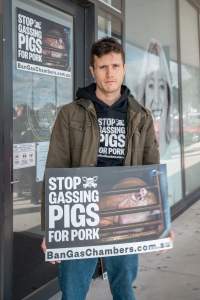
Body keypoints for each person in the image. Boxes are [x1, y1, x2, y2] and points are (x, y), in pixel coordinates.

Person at [41, 37, 160, 300]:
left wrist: (160, 220)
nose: (110, 73)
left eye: (115, 66)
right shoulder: (70, 114)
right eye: (103, 67)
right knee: (72, 291)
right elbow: (55, 168)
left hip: (126, 212)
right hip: (79, 212)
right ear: (93, 71)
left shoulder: (141, 116)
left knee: (124, 289)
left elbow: (152, 169)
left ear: (124, 68)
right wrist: (52, 228)